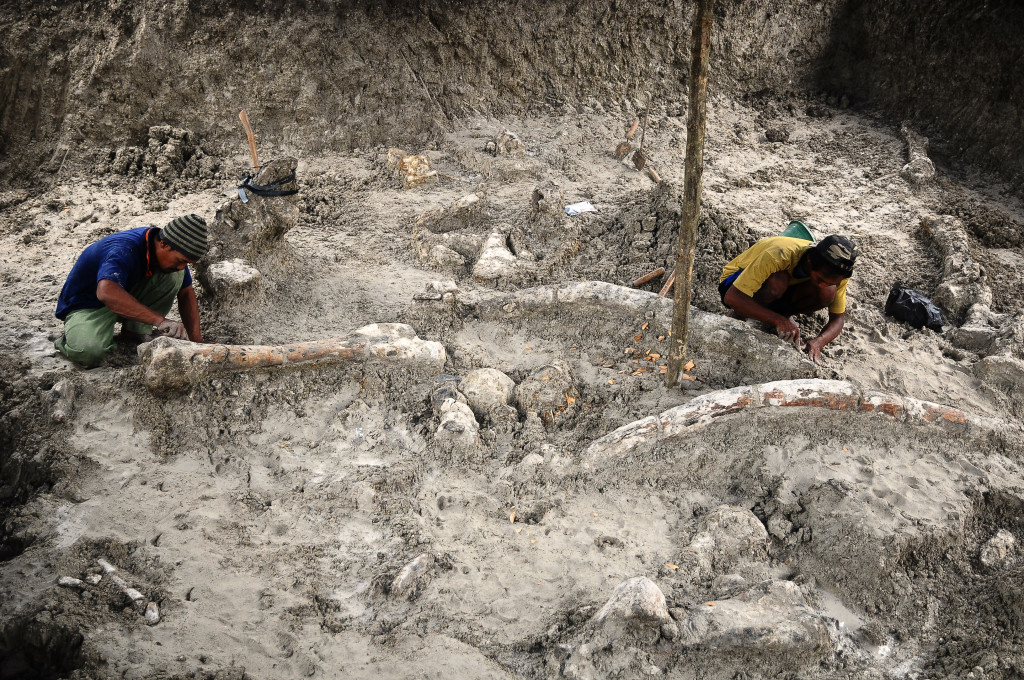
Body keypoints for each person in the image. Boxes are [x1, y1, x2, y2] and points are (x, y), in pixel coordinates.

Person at [54, 214, 209, 368]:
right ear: (164, 245)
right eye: (181, 261)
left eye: (187, 263)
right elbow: (106, 292)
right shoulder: (124, 248)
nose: (183, 267)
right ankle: (70, 338)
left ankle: (135, 331)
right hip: (89, 304)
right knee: (89, 352)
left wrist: (197, 340)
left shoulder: (172, 249)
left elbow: (186, 293)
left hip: (126, 293)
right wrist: (160, 321)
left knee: (176, 276)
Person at [719, 234, 856, 364]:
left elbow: (838, 318)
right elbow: (732, 296)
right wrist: (778, 320)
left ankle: (780, 314)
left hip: (782, 290)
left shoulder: (839, 274)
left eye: (830, 281)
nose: (822, 284)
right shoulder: (780, 254)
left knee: (827, 293)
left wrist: (819, 342)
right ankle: (741, 312)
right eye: (820, 278)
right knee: (777, 283)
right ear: (809, 260)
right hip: (734, 283)